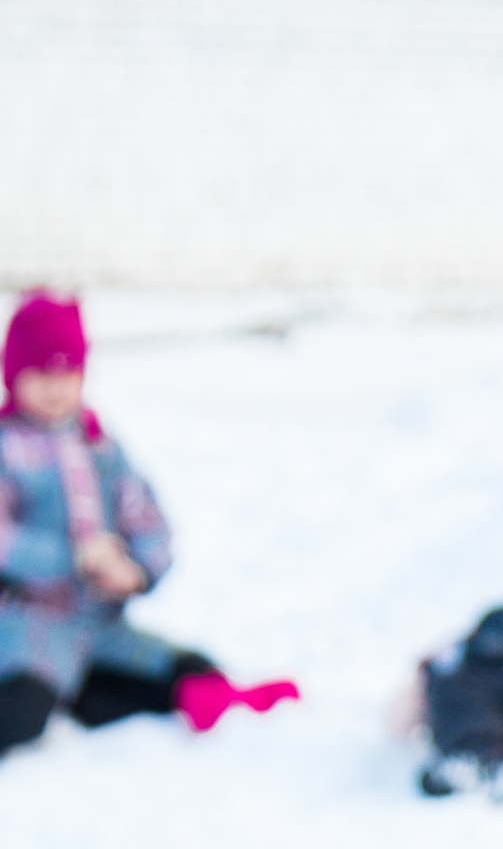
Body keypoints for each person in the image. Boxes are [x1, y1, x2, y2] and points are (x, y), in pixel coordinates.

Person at [0, 293, 292, 757]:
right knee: (22, 711)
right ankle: (58, 698)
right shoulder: (8, 446)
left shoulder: (99, 445)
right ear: (14, 375)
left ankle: (109, 698)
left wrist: (136, 569)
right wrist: (73, 559)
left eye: (68, 374)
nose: (56, 389)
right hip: (24, 631)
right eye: (41, 375)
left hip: (99, 627)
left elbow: (147, 518)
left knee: (192, 670)